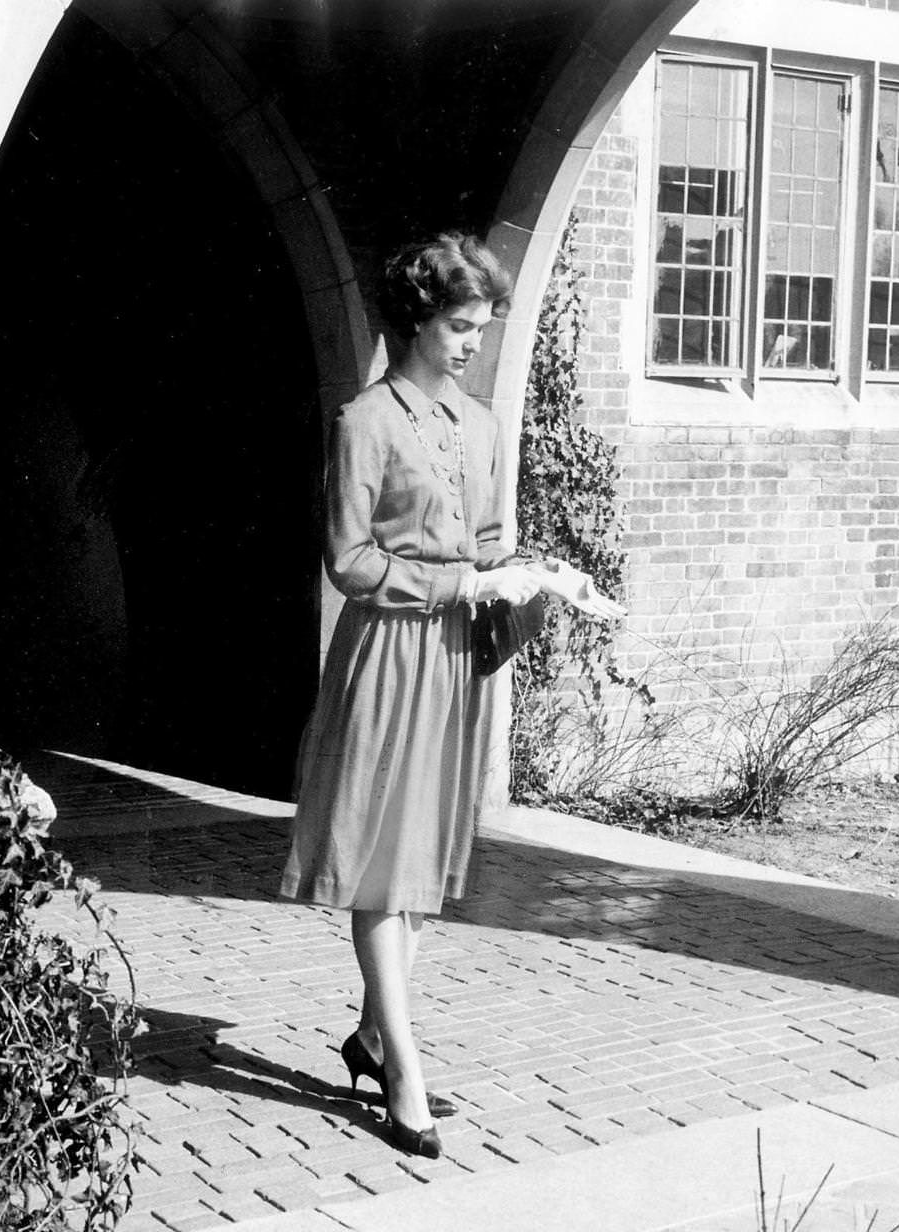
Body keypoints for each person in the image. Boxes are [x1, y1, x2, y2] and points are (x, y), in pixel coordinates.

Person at [280, 232, 624, 1159]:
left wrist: (548, 580)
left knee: (420, 866)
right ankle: (404, 1071)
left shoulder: (482, 426)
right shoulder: (367, 421)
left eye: (480, 326)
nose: (473, 341)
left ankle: (369, 1033)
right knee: (384, 868)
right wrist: (458, 588)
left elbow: (488, 549)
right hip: (388, 658)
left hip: (451, 664)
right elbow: (349, 561)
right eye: (460, 324)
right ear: (418, 320)